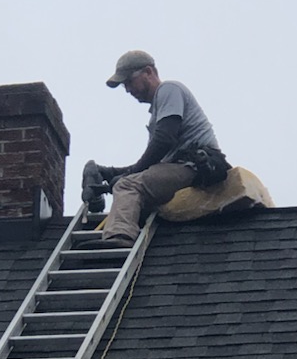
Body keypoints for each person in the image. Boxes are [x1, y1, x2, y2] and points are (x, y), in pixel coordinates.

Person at [90, 50, 229, 247]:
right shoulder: (158, 114)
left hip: (196, 164)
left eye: (129, 81)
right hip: (184, 166)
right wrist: (112, 173)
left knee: (128, 186)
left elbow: (164, 140)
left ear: (149, 71)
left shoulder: (169, 90)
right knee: (131, 183)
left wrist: (127, 176)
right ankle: (123, 230)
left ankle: (118, 237)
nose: (128, 89)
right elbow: (154, 163)